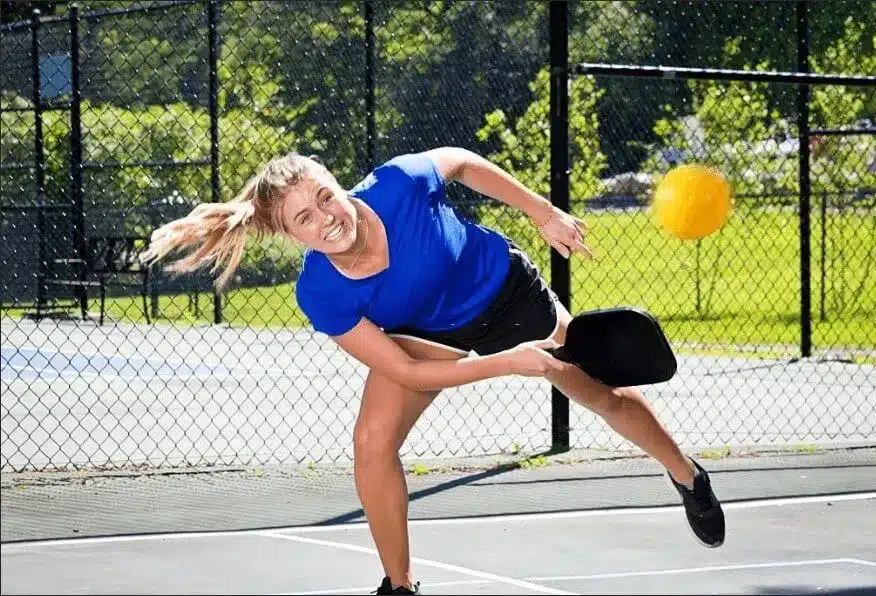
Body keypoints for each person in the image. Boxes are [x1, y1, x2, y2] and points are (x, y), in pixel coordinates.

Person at [141, 147, 725, 595]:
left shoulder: (398, 184)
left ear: (338, 184)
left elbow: (465, 163)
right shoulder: (320, 292)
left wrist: (543, 214)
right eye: (304, 218)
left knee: (603, 397)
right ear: (295, 237)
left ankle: (687, 474)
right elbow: (406, 371)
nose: (324, 217)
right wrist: (506, 365)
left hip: (502, 293)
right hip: (427, 334)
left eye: (324, 197)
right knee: (371, 442)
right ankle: (400, 587)